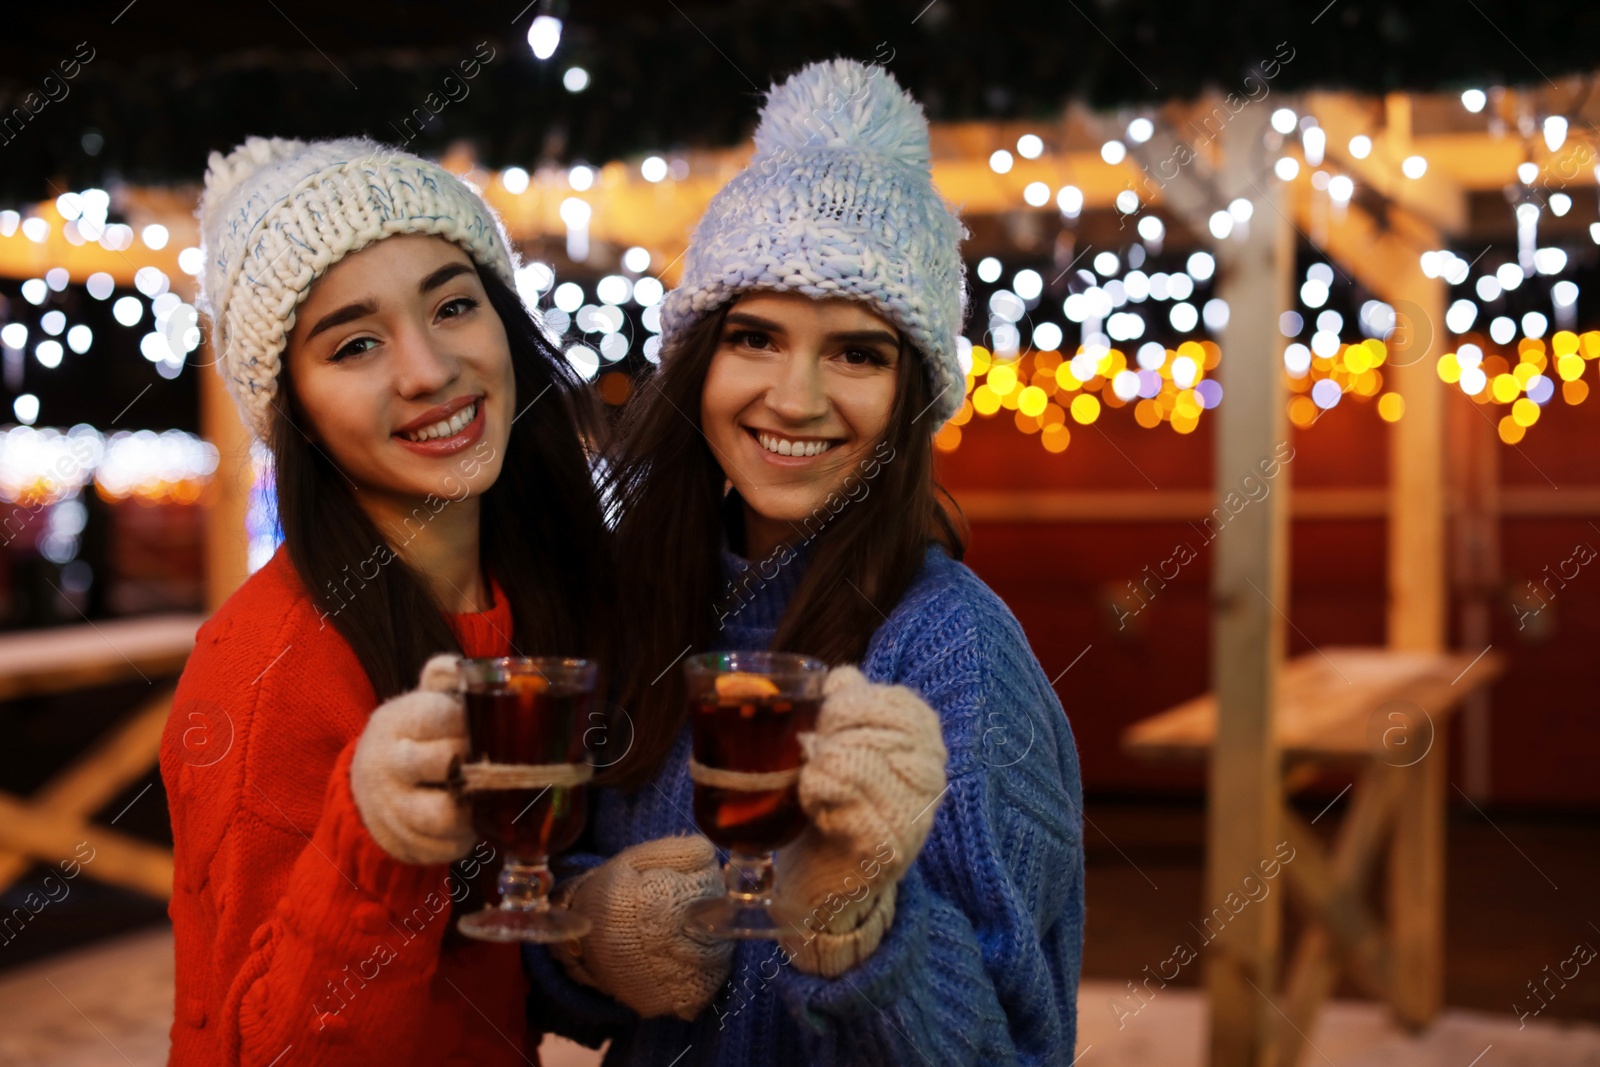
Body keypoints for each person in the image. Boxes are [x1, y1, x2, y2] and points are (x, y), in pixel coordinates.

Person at [523, 58, 1085, 1065]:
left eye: (857, 352)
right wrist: (590, 933)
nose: (795, 396)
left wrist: (859, 932)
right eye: (755, 336)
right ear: (700, 359)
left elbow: (1011, 1052)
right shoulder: (635, 605)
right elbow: (528, 954)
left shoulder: (953, 650)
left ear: (912, 392)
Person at [160, 136, 610, 1065]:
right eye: (355, 343)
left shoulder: (539, 599)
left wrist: (615, 923)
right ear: (296, 409)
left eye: (453, 304)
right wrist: (374, 843)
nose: (426, 369)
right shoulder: (265, 663)